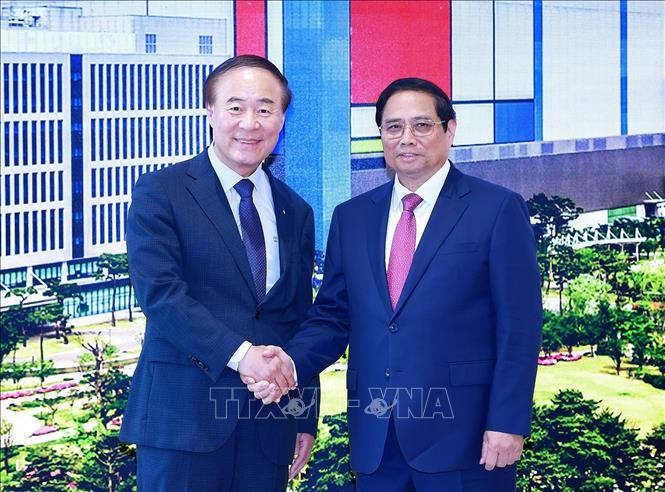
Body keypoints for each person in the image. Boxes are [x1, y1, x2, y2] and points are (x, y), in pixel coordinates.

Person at [246, 77, 543, 491]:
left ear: (450, 129)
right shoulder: (352, 217)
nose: (406, 138)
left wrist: (507, 422)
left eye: (422, 125)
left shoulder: (496, 208)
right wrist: (290, 363)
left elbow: (520, 327)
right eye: (393, 127)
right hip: (376, 440)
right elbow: (333, 316)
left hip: (467, 439)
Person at [120, 54, 319, 492]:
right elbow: (161, 296)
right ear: (209, 112)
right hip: (183, 422)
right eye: (235, 107)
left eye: (265, 108)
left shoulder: (296, 211)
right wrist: (242, 354)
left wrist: (302, 414)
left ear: (282, 119)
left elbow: (297, 319)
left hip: (269, 425)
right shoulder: (162, 191)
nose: (250, 123)